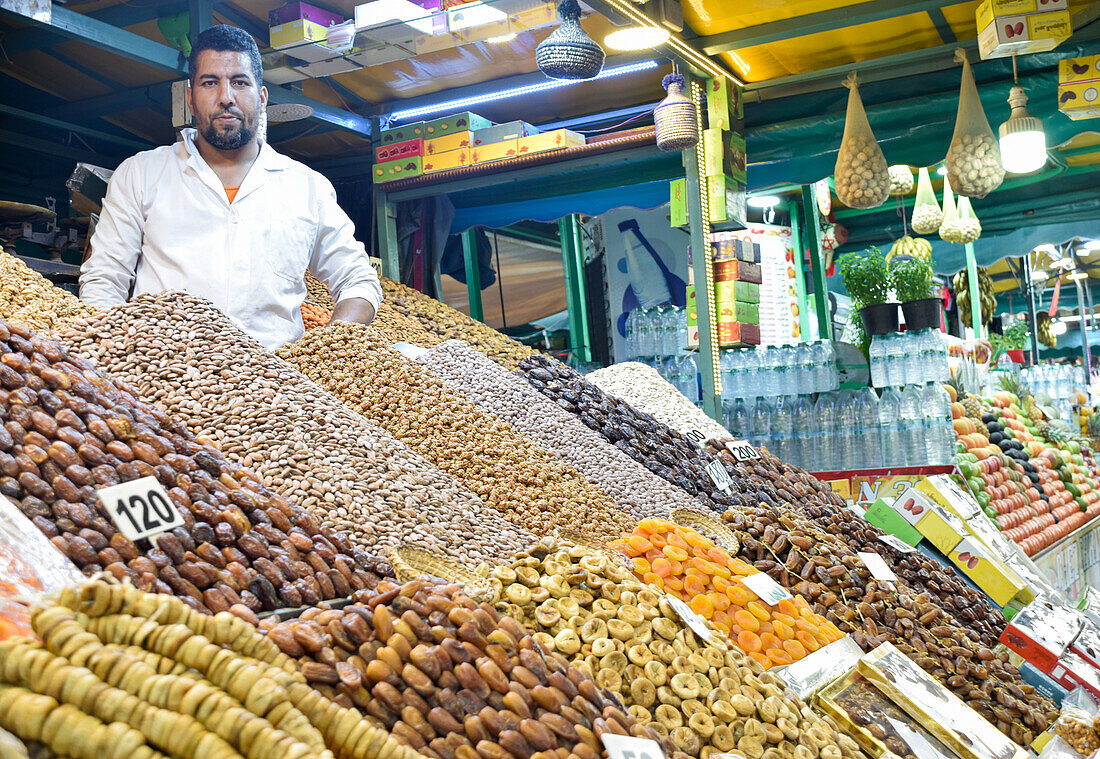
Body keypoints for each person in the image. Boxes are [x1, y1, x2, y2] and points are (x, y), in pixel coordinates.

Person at [80, 24, 380, 349]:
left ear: (262, 97)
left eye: (240, 82)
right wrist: (111, 355)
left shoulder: (306, 188)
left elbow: (358, 279)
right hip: (162, 380)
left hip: (273, 390)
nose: (226, 98)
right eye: (210, 83)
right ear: (190, 98)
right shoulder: (141, 174)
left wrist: (328, 349)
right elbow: (105, 278)